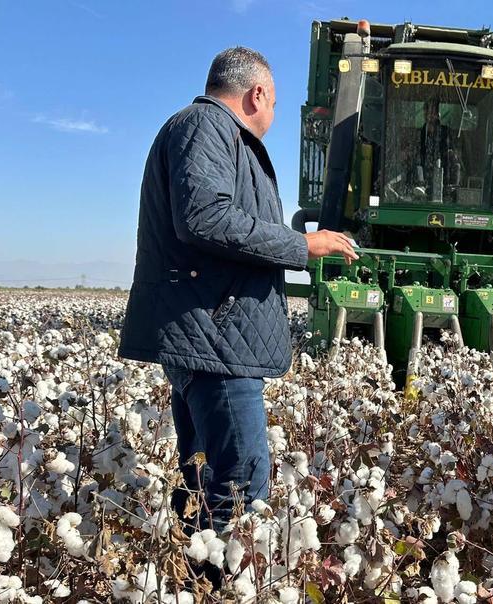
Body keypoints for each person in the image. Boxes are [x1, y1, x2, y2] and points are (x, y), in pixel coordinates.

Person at [118, 47, 357, 532]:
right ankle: (228, 584)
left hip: (211, 334)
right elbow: (204, 218)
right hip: (217, 341)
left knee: (204, 479)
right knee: (241, 486)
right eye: (274, 104)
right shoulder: (205, 128)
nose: (272, 115)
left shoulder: (208, 133)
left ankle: (197, 579)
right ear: (258, 93)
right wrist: (301, 244)